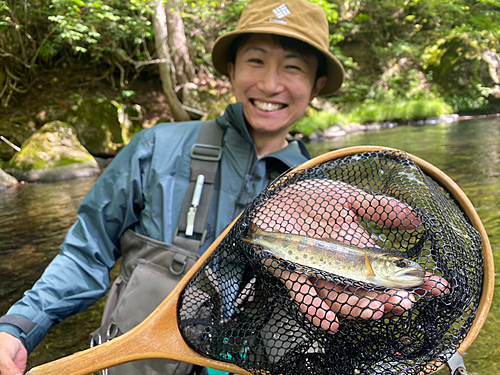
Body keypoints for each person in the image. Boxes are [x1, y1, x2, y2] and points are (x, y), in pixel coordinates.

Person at [0, 0, 448, 374]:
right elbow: (86, 252)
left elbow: (332, 304)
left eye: (293, 67)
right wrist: (18, 327)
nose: (270, 84)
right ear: (231, 69)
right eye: (255, 60)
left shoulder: (323, 189)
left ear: (317, 85)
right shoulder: (155, 147)